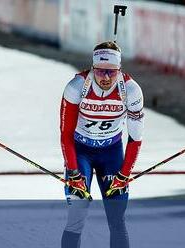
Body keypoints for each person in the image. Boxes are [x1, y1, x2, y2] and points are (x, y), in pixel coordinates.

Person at [60, 41, 144, 248]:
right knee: (76, 217)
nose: (106, 78)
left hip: (111, 153)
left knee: (117, 220)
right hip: (81, 152)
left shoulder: (131, 91)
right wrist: (73, 172)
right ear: (93, 67)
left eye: (112, 72)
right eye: (100, 71)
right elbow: (66, 134)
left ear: (119, 69)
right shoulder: (76, 87)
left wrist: (124, 174)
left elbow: (135, 139)